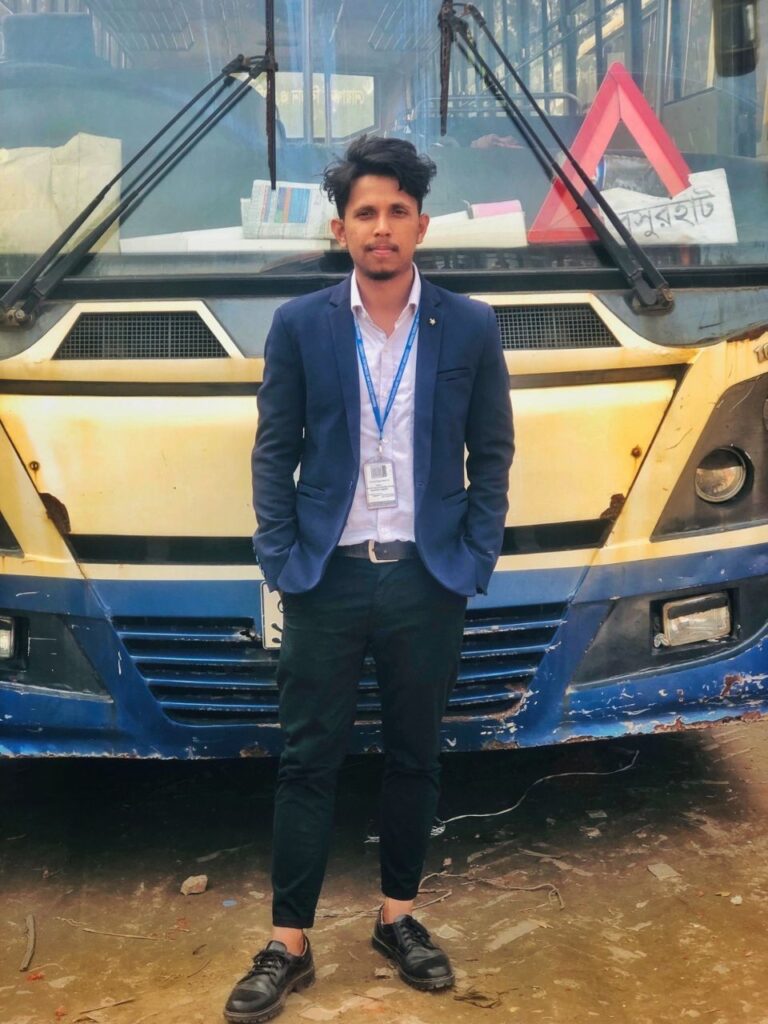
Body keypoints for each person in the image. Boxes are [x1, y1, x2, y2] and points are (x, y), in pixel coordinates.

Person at [224, 134, 514, 1024]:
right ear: (340, 228)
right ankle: (288, 944)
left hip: (427, 578)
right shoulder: (302, 324)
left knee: (415, 755)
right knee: (307, 761)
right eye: (364, 213)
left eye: (396, 211)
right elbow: (274, 450)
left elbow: (492, 452)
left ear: (421, 225)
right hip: (328, 577)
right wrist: (282, 559)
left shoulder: (469, 324)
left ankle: (398, 920)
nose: (380, 227)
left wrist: (473, 557)